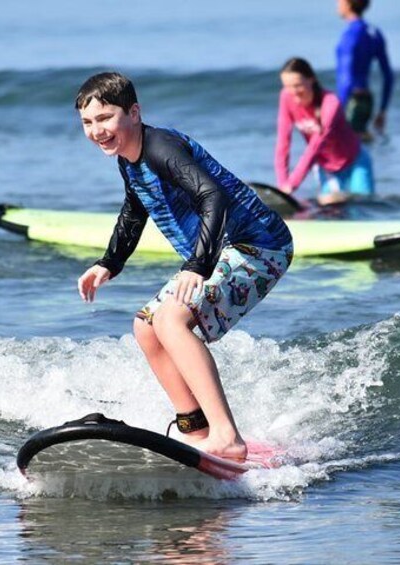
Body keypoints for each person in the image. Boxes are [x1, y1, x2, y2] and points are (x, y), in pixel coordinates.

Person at [75, 72, 293, 461]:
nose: (97, 130)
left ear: (134, 112)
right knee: (145, 325)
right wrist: (110, 261)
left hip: (258, 245)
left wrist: (197, 265)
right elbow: (136, 207)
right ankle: (197, 431)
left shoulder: (160, 147)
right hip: (223, 250)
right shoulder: (129, 158)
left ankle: (226, 435)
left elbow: (214, 196)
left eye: (106, 118)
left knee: (171, 320)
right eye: (88, 123)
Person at [274, 57, 375, 205]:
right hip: (326, 167)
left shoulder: (330, 103)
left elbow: (314, 148)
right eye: (287, 86)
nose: (292, 92)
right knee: (330, 208)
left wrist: (293, 184)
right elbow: (283, 143)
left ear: (311, 79)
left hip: (355, 161)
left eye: (297, 85)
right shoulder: (286, 97)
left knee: (363, 204)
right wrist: (283, 186)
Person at [335, 0, 394, 139]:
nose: (337, 4)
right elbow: (388, 75)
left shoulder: (350, 35)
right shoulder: (374, 33)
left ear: (348, 4)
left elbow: (346, 75)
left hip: (351, 100)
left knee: (348, 152)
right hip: (367, 100)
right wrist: (383, 110)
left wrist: (339, 109)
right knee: (361, 145)